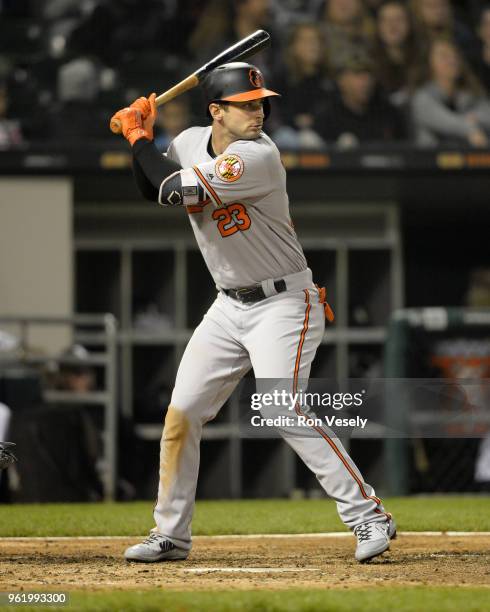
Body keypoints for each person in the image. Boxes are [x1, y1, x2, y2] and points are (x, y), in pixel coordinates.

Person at [110, 61, 395, 564]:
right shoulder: (189, 143)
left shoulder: (256, 157)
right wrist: (146, 139)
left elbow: (171, 189)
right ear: (216, 111)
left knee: (281, 406)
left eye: (261, 102)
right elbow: (148, 186)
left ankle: (369, 515)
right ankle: (171, 534)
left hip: (285, 302)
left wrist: (136, 136)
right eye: (245, 105)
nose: (258, 112)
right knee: (182, 414)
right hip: (228, 305)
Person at [411, 38, 490, 147]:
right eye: (444, 56)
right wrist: (470, 127)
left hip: (468, 161)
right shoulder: (422, 98)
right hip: (429, 161)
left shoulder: (471, 93)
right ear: (429, 63)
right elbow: (446, 122)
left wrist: (475, 117)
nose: (452, 60)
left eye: (455, 56)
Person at [317, 54, 406, 146]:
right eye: (358, 74)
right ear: (341, 80)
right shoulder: (327, 116)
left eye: (369, 74)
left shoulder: (389, 114)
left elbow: (405, 152)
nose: (366, 81)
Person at [372, 1, 423, 106]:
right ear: (378, 26)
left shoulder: (424, 58)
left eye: (399, 19)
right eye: (385, 20)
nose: (392, 25)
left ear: (410, 24)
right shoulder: (369, 62)